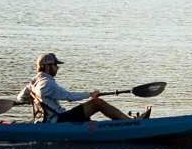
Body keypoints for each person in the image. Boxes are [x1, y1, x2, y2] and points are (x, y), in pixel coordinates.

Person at [19, 52, 151, 123]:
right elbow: (69, 97)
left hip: (50, 120)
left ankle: (119, 122)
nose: (58, 67)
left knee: (88, 112)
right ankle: (130, 122)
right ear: (47, 67)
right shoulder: (48, 84)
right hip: (60, 120)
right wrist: (90, 94)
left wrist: (33, 98)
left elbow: (20, 98)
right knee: (97, 103)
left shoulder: (34, 82)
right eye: (55, 65)